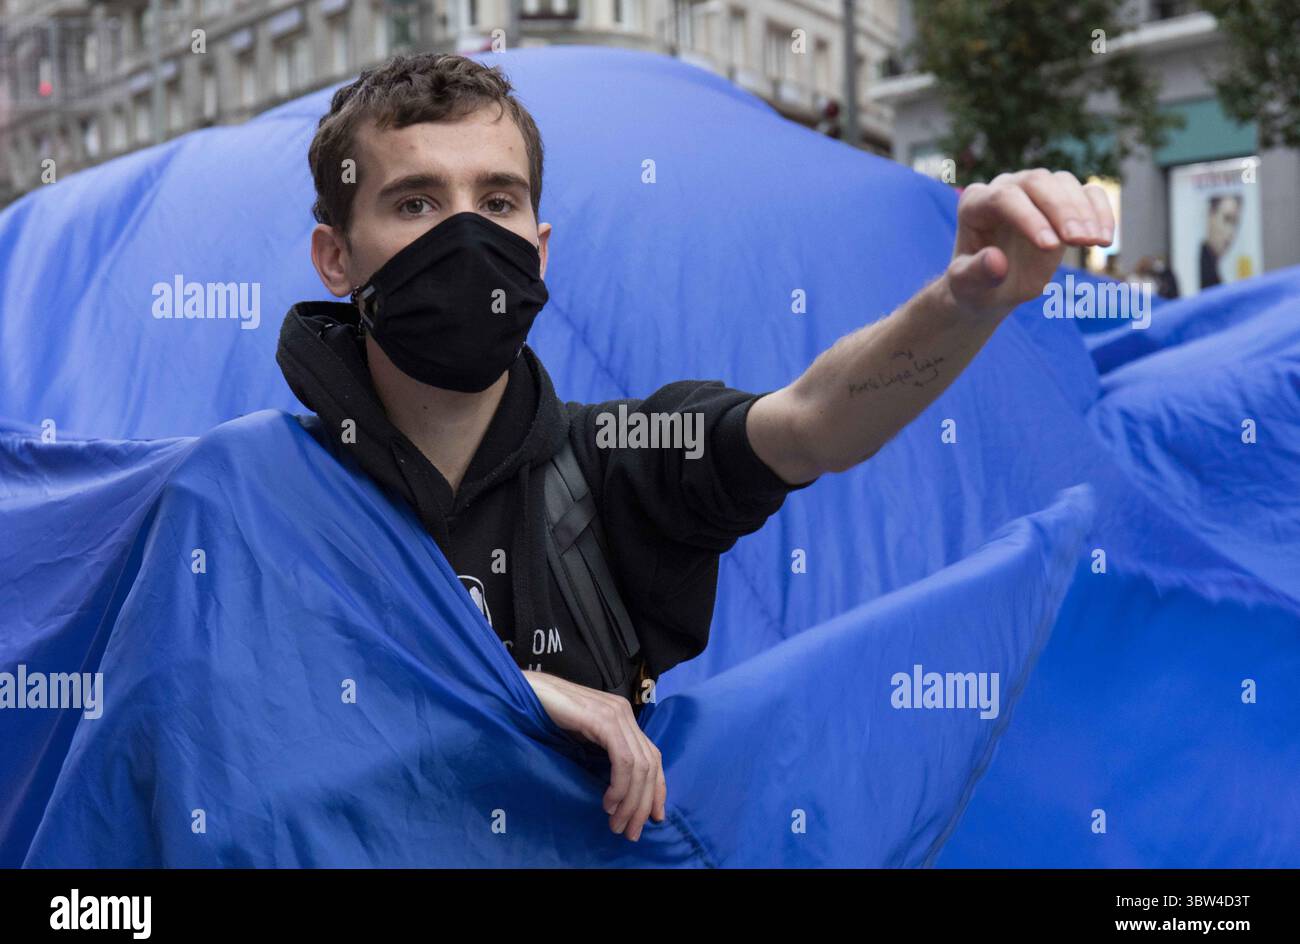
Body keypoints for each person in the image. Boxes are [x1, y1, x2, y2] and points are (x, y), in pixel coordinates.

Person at [275, 53, 1114, 844]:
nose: (466, 237)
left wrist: (964, 305)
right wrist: (517, 690)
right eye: (416, 202)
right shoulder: (253, 498)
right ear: (336, 257)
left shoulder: (617, 459)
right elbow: (227, 706)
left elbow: (814, 421)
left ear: (538, 248)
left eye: (497, 202)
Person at [1200, 194, 1242, 290]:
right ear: (1210, 216)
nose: (1231, 232)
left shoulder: (1214, 266)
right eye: (1227, 219)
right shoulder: (1201, 265)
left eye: (1235, 223)